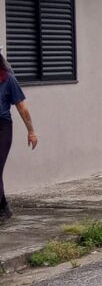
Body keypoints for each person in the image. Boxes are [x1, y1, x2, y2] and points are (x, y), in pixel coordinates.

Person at [0, 50, 37, 223]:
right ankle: (4, 207)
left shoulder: (8, 79)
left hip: (2, 127)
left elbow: (23, 108)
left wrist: (31, 131)